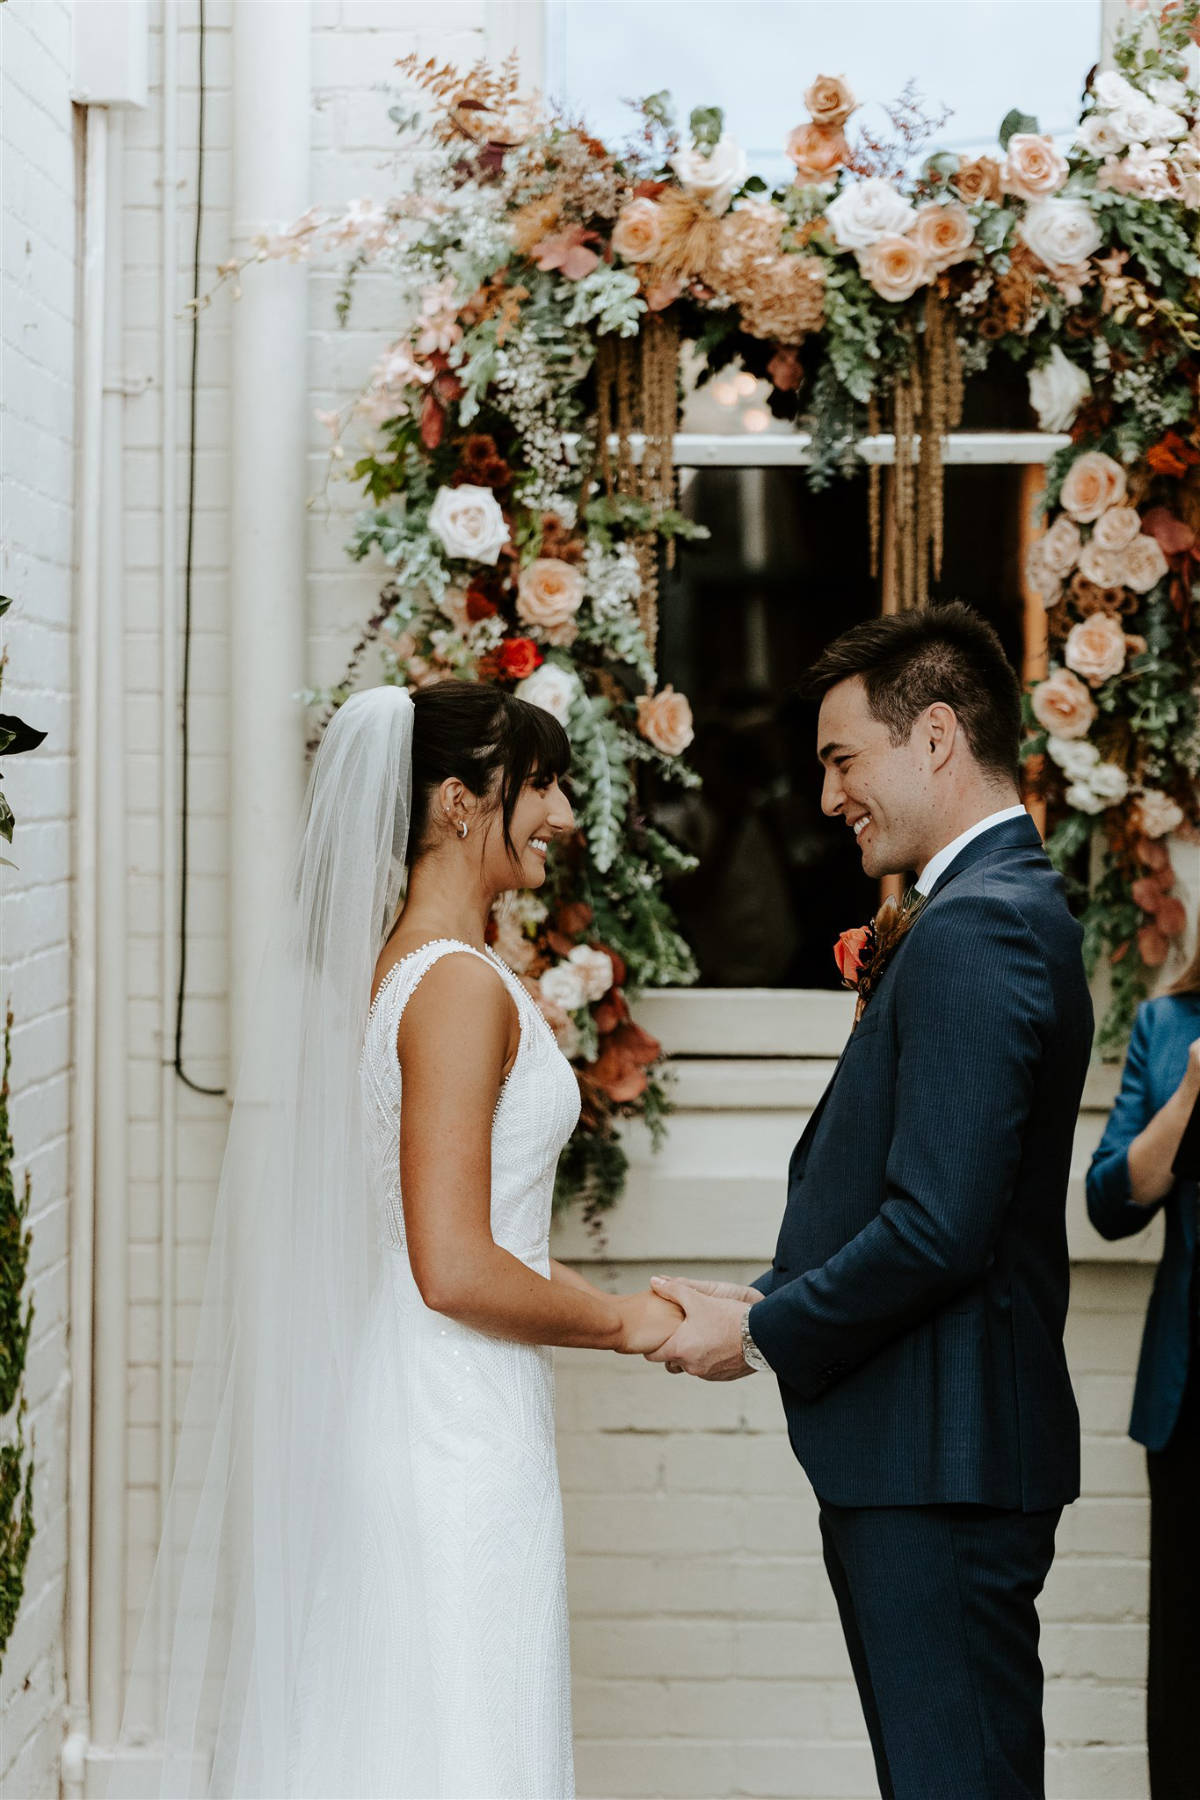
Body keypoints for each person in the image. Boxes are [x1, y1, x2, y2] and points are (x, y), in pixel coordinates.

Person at [111, 681, 681, 1799]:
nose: (566, 814)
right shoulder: (458, 988)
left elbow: (472, 1235)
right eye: (545, 784)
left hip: (443, 1404)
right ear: (464, 802)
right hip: (448, 1428)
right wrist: (619, 1323)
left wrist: (646, 1310)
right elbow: (457, 1265)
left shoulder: (415, 972)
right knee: (460, 1745)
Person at [649, 603, 1093, 1800]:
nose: (831, 794)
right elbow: (938, 1196)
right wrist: (772, 1288)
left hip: (938, 1461)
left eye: (844, 758)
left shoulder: (978, 927)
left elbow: (940, 1227)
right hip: (931, 1453)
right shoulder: (989, 909)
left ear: (936, 735)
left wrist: (762, 1331)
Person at [1087, 967, 1200, 1799]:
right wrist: (1193, 1088)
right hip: (1188, 1398)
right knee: (1187, 1668)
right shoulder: (1168, 1026)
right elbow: (1109, 1202)